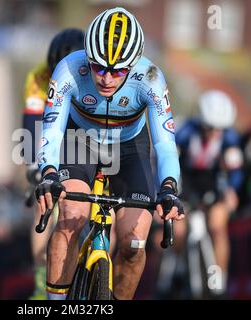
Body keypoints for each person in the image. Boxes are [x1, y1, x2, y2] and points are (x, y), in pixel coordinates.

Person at [35, 7, 184, 300]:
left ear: (133, 65)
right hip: (79, 140)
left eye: (117, 71)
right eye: (98, 67)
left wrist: (168, 187)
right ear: (87, 59)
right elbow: (51, 130)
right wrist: (49, 172)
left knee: (133, 244)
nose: (106, 77)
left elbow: (165, 144)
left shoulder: (151, 78)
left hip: (130, 148)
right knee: (71, 216)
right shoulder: (68, 69)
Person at [21, 28, 85, 299]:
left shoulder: (88, 75)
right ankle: (40, 276)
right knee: (43, 205)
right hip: (50, 135)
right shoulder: (37, 76)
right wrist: (33, 165)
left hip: (83, 136)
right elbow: (31, 124)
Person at [174, 89, 243, 297]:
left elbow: (235, 170)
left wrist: (231, 190)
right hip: (186, 183)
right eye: (210, 128)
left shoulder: (229, 138)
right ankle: (179, 265)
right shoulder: (185, 133)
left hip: (213, 184)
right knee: (177, 230)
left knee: (217, 227)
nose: (215, 134)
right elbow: (169, 161)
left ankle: (218, 279)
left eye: (219, 129)